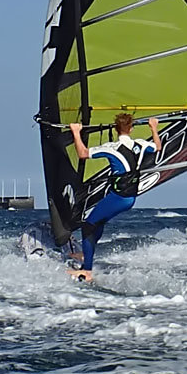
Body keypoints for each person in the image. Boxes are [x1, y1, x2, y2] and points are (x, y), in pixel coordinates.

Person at [67, 113, 161, 282]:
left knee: (88, 227)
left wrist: (75, 132)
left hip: (118, 197)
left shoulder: (111, 147)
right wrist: (154, 127)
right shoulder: (140, 144)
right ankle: (87, 253)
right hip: (130, 197)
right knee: (99, 222)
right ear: (131, 129)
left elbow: (83, 153)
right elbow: (157, 146)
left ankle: (87, 271)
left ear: (116, 129)